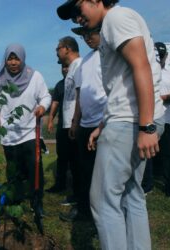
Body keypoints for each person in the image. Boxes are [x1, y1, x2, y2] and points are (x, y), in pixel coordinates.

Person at [57, 1, 165, 249]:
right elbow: (122, 86)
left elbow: (142, 67)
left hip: (131, 122)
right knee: (132, 195)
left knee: (104, 201)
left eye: (77, 9)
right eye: (72, 16)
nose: (77, 19)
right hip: (128, 119)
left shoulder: (116, 18)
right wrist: (104, 124)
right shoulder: (115, 22)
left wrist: (147, 126)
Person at [0, 43, 51, 211]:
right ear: (5, 60)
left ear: (22, 59)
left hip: (30, 132)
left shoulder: (35, 77)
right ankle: (14, 198)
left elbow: (45, 96)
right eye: (10, 59)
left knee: (34, 168)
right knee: (13, 169)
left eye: (16, 58)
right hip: (9, 134)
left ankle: (36, 201)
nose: (13, 63)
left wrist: (43, 107)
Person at [59, 25, 107, 222]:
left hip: (104, 123)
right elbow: (79, 94)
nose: (88, 37)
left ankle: (104, 214)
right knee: (84, 171)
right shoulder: (85, 61)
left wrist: (105, 123)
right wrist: (75, 122)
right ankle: (85, 210)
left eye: (91, 33)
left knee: (103, 174)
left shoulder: (110, 56)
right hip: (85, 124)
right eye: (84, 35)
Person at [142, 42, 170, 197]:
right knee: (147, 153)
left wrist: (159, 98)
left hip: (168, 117)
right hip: (151, 117)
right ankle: (147, 185)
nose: (161, 58)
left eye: (162, 55)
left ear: (166, 56)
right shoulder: (147, 71)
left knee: (168, 154)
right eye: (158, 55)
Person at [53, 36, 82, 206]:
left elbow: (80, 95)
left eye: (58, 48)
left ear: (66, 49)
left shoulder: (79, 66)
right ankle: (76, 194)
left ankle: (80, 198)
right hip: (68, 124)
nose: (56, 52)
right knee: (72, 161)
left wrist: (75, 121)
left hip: (75, 123)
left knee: (78, 163)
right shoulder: (71, 69)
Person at [46, 63, 69, 193]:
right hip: (62, 126)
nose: (65, 69)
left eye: (67, 66)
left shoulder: (79, 81)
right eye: (63, 67)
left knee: (77, 158)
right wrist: (50, 120)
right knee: (62, 156)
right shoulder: (59, 85)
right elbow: (55, 103)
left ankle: (77, 188)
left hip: (77, 126)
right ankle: (60, 185)